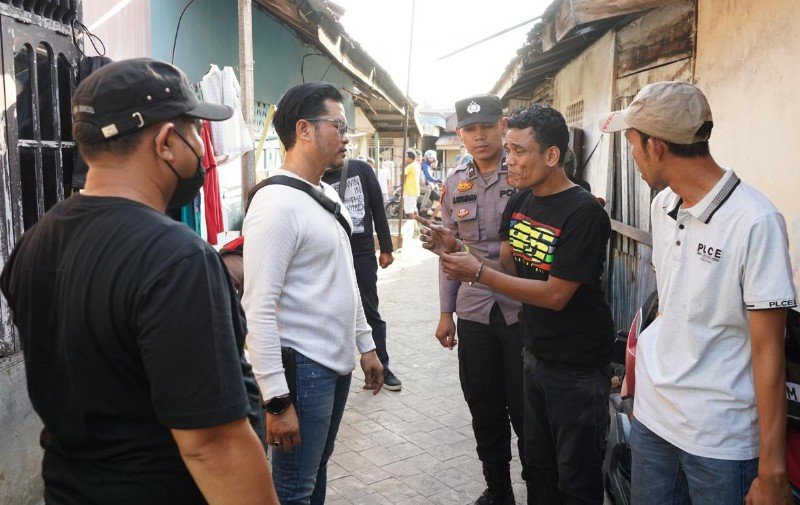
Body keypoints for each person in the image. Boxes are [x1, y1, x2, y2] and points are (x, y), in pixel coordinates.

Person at [0, 58, 278, 504]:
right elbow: (213, 445)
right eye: (195, 132)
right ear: (166, 142)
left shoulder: (34, 243)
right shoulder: (177, 259)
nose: (201, 149)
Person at [599, 81, 797, 504]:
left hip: (719, 440)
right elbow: (670, 306)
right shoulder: (663, 206)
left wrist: (772, 473)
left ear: (655, 147)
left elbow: (768, 349)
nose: (632, 154)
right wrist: (638, 375)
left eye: (631, 142)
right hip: (654, 420)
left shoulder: (755, 221)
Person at [421, 104, 614, 504]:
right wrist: (457, 248)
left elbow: (556, 295)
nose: (509, 159)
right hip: (535, 353)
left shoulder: (584, 212)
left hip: (575, 366)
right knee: (538, 466)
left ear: (552, 155)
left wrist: (477, 271)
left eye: (519, 150)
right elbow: (509, 269)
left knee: (575, 478)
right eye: (509, 150)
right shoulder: (521, 203)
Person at [242, 81, 384, 505]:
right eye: (338, 125)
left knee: (316, 468)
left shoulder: (324, 194)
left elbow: (345, 278)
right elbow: (258, 308)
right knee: (293, 489)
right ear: (304, 129)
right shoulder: (276, 205)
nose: (346, 137)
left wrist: (366, 345)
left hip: (333, 366)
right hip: (303, 370)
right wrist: (276, 400)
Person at [423, 94, 527, 504]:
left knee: (526, 410)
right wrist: (445, 312)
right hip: (474, 312)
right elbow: (448, 253)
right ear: (460, 135)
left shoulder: (523, 171)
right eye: (470, 130)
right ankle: (498, 492)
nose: (479, 136)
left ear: (502, 125)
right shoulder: (454, 184)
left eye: (486, 127)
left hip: (522, 308)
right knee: (484, 406)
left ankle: (539, 488)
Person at [322, 158, 402, 391]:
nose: (343, 142)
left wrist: (386, 248)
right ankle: (332, 371)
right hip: (330, 255)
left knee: (369, 310)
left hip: (362, 254)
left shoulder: (362, 169)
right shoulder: (315, 176)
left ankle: (382, 366)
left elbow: (377, 208)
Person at [403, 148, 421, 217]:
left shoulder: (409, 166)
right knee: (414, 207)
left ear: (410, 158)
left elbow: (403, 178)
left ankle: (412, 222)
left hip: (409, 191)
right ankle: (417, 222)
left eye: (406, 157)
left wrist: (401, 188)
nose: (405, 159)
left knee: (409, 209)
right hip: (415, 191)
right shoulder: (417, 165)